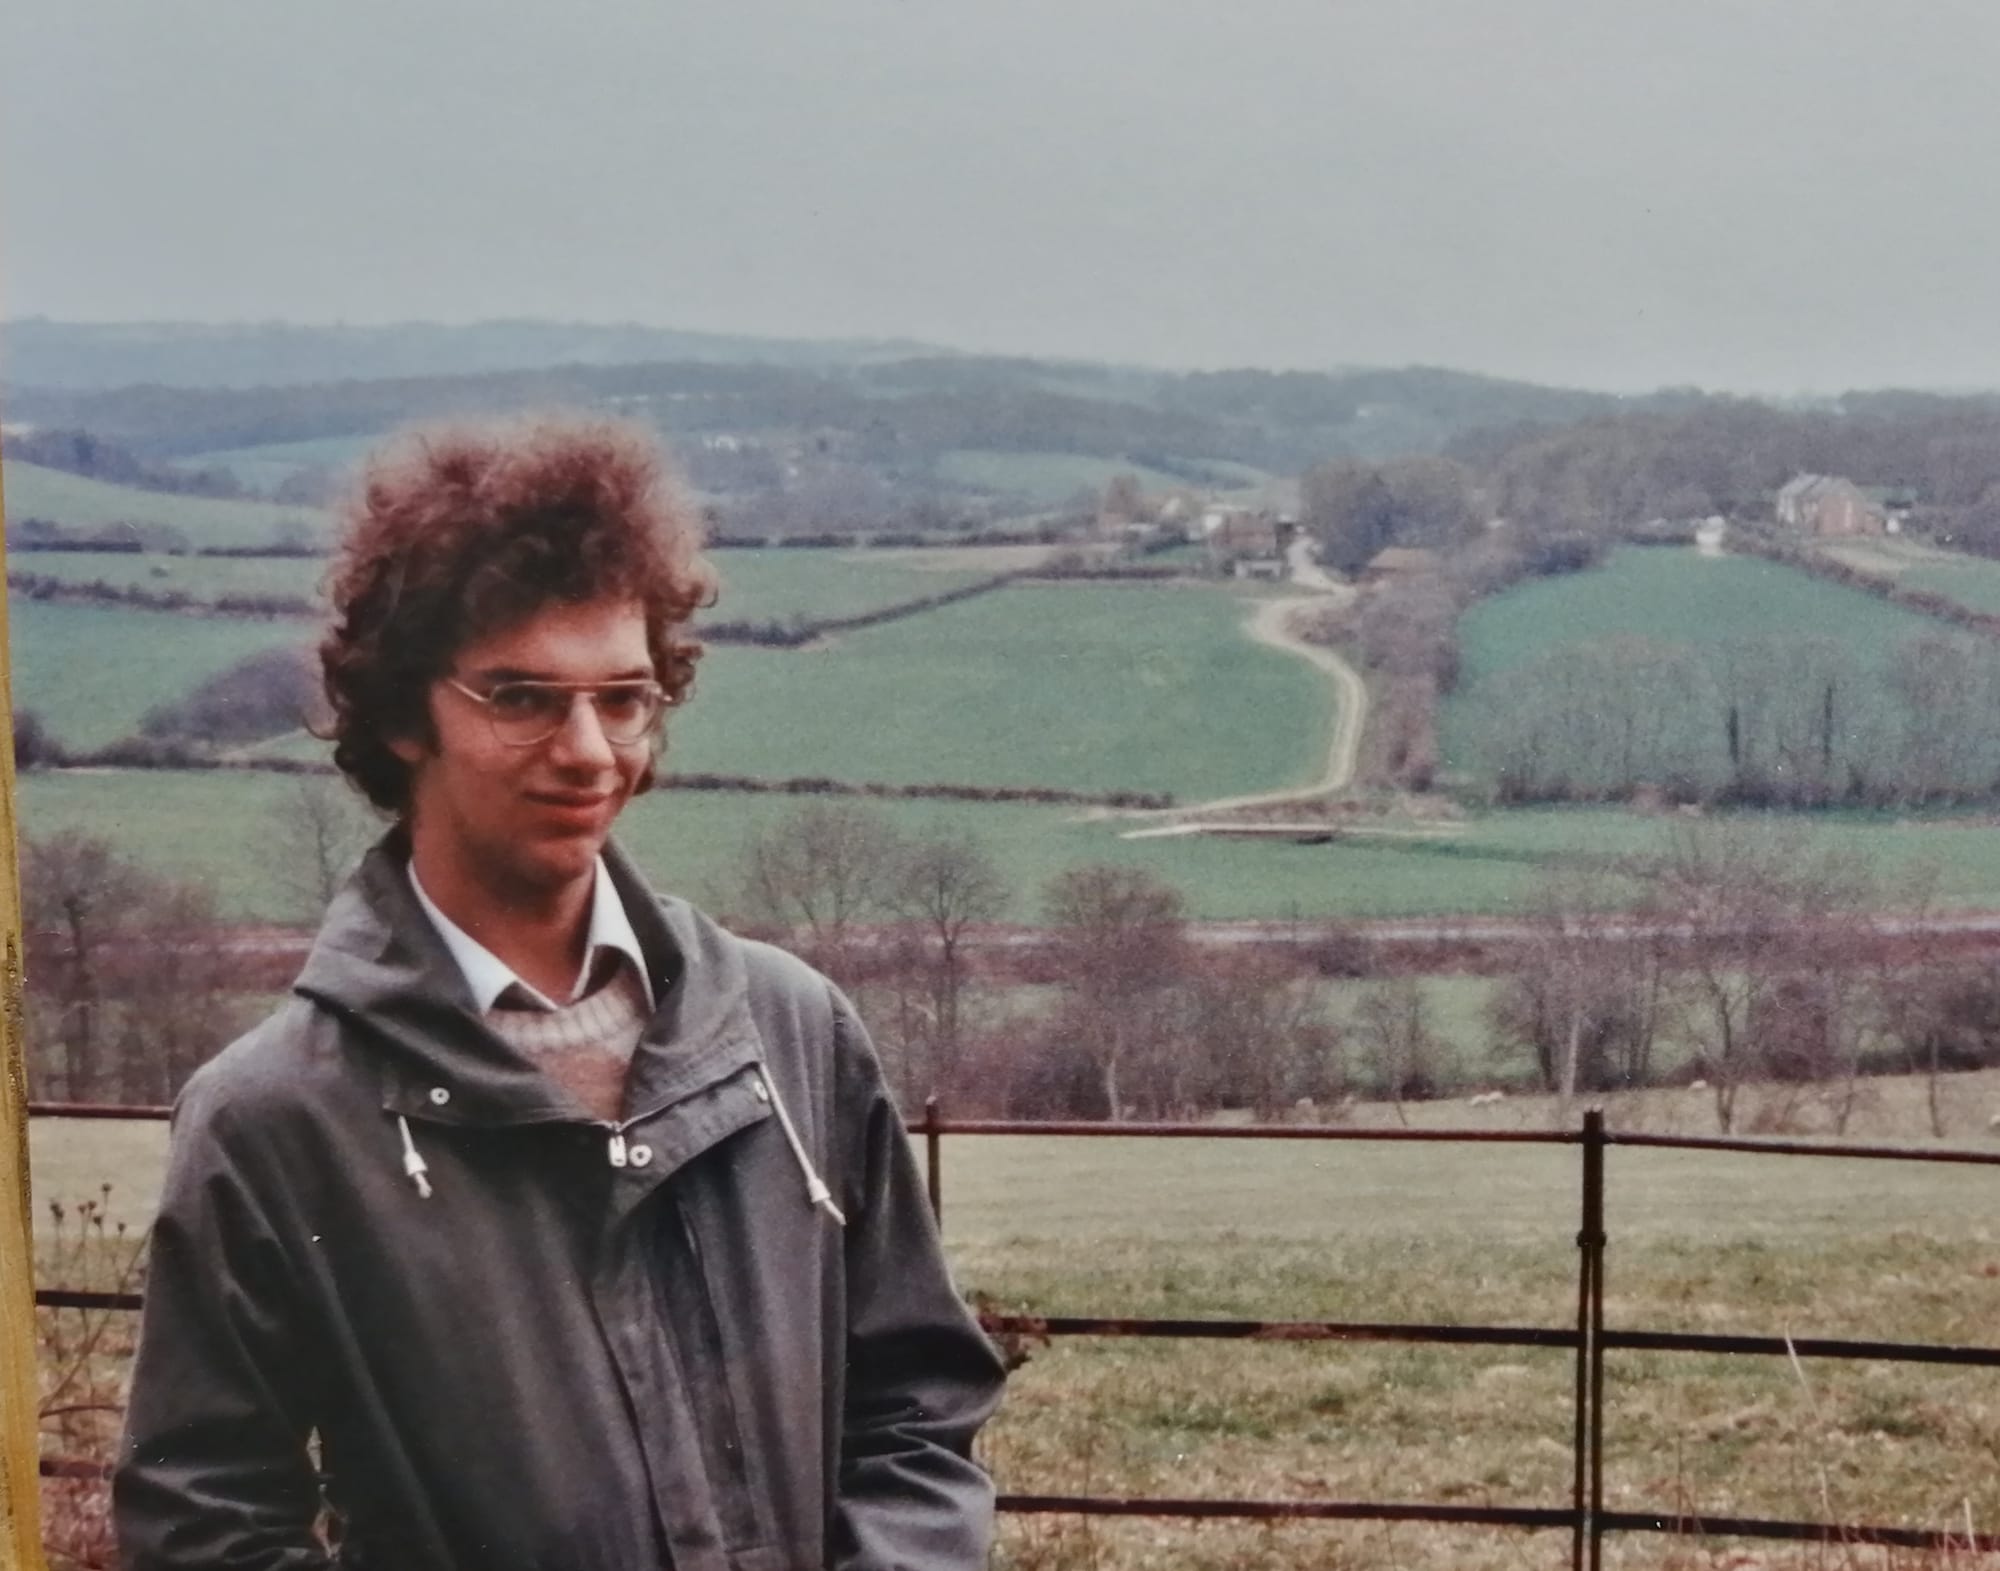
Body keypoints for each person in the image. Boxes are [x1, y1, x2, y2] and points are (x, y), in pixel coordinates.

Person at [113, 417, 1006, 1570]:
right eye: (522, 696)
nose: (589, 748)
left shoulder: (789, 1031)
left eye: (624, 697)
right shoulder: (274, 1116)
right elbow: (204, 1526)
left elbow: (915, 1406)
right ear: (398, 713)